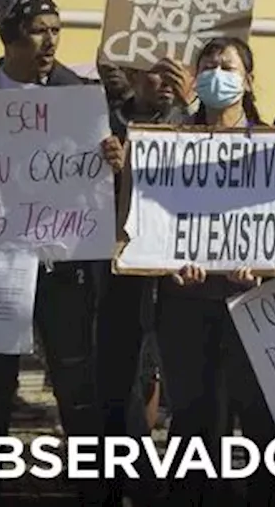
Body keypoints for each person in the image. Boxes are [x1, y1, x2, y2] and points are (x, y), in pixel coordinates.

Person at [0, 0, 123, 504]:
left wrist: (114, 160)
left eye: (56, 30)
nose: (50, 42)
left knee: (76, 385)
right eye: (37, 31)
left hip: (63, 268)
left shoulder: (84, 97)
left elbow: (104, 179)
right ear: (9, 38)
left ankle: (93, 489)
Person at [157, 37, 275, 507]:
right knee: (192, 417)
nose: (215, 74)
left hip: (253, 304)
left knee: (256, 417)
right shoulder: (170, 142)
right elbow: (154, 219)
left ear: (247, 79)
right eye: (207, 66)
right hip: (186, 304)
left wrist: (267, 267)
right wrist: (167, 263)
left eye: (226, 66)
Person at [102, 60, 192, 505]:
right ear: (135, 75)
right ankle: (130, 477)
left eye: (180, 71)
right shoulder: (103, 118)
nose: (172, 80)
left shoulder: (194, 121)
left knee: (180, 383)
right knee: (123, 379)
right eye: (160, 70)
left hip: (178, 277)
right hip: (121, 276)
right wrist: (114, 170)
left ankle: (176, 480)